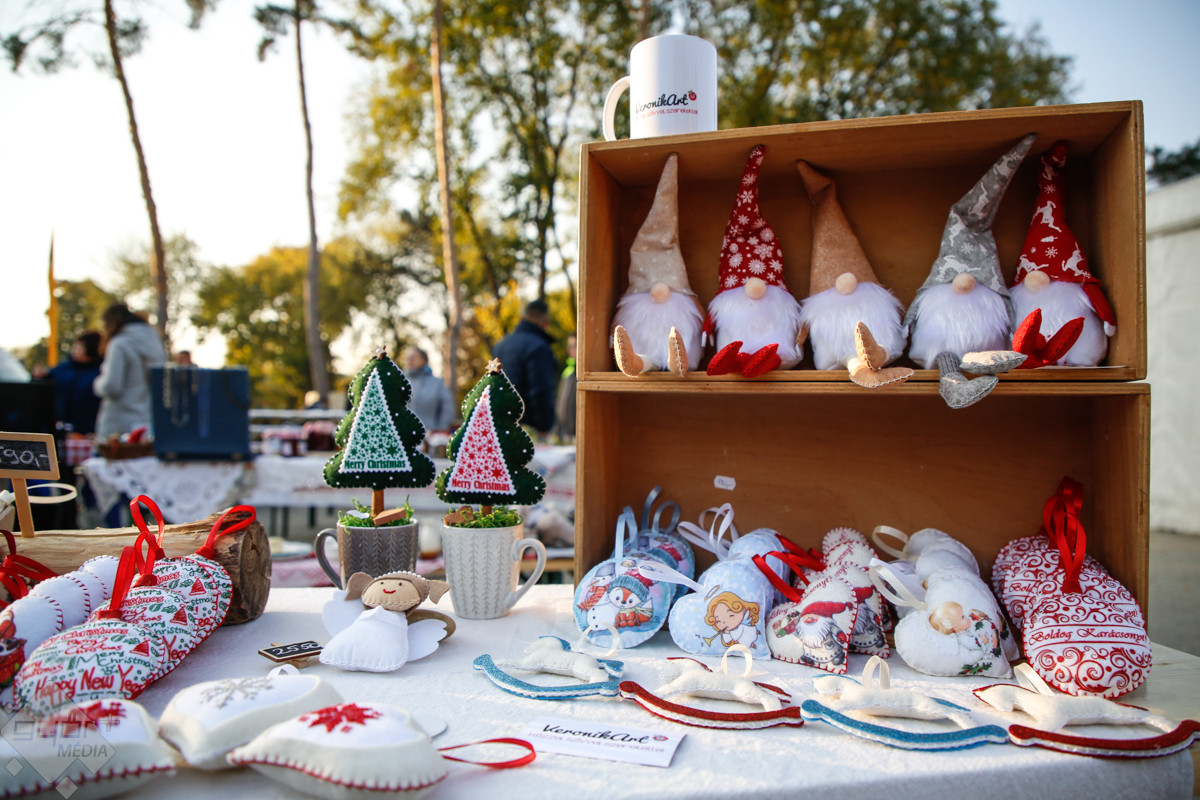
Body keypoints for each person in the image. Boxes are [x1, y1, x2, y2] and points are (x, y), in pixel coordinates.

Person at [93, 302, 167, 440]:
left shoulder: (119, 343)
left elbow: (112, 386)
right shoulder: (155, 343)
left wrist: (97, 383)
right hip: (145, 420)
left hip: (118, 423)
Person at [492, 299, 558, 435]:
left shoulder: (500, 346)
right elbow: (540, 391)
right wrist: (544, 426)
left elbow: (492, 385)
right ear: (545, 322)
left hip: (500, 425)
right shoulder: (539, 347)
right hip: (528, 429)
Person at [39, 331, 104, 436]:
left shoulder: (100, 370)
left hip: (89, 428)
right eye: (75, 346)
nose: (75, 349)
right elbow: (46, 380)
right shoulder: (64, 368)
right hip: (62, 425)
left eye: (80, 347)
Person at [403, 347, 455, 434]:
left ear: (423, 360)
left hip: (430, 435)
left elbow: (447, 408)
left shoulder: (437, 383)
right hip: (403, 434)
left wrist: (441, 430)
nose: (409, 360)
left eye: (413, 357)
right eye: (407, 358)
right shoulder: (401, 382)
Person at [554, 333, 576, 443]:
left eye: (574, 345)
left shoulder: (581, 373)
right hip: (565, 434)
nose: (570, 349)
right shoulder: (568, 371)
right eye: (569, 346)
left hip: (576, 434)